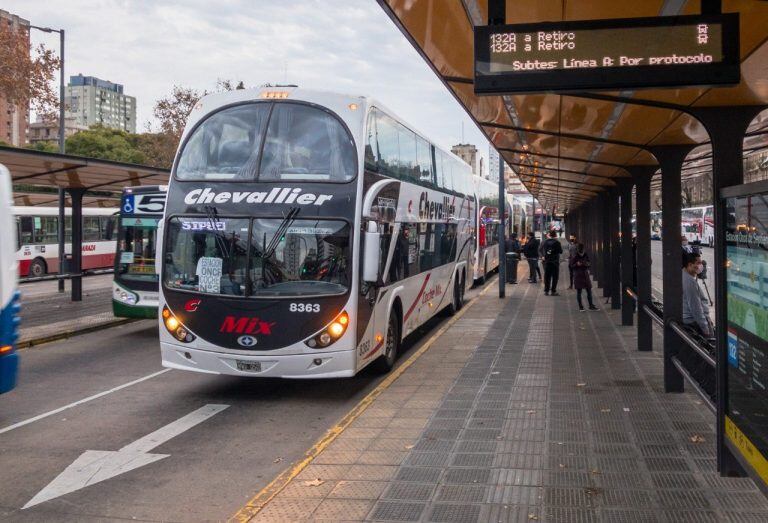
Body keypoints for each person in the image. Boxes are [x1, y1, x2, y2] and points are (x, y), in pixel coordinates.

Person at [682, 252, 713, 337]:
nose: (701, 265)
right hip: (693, 322)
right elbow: (696, 308)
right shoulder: (689, 282)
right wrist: (705, 328)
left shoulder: (685, 276)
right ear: (690, 265)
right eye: (698, 263)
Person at [570, 243, 599, 311]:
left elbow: (589, 263)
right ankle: (581, 307)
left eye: (582, 249)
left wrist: (587, 264)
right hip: (578, 275)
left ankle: (591, 305)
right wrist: (577, 264)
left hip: (585, 274)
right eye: (580, 249)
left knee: (589, 290)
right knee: (579, 291)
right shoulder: (575, 256)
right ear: (578, 249)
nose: (582, 251)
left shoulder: (585, 254)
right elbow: (572, 266)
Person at [540, 230, 563, 295]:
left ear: (550, 235)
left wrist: (548, 253)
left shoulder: (546, 242)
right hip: (555, 262)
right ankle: (553, 291)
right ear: (555, 235)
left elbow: (546, 251)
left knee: (547, 277)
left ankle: (546, 291)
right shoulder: (557, 242)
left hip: (547, 261)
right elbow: (560, 251)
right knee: (555, 277)